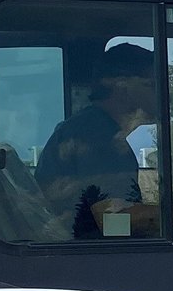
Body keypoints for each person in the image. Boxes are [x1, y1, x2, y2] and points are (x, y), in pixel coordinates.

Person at [36, 44, 158, 238]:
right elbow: (114, 223)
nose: (163, 93)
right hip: (91, 259)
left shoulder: (90, 128)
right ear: (122, 86)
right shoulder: (96, 138)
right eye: (152, 84)